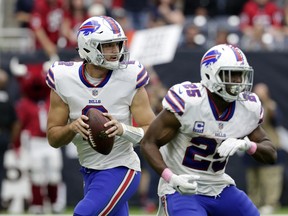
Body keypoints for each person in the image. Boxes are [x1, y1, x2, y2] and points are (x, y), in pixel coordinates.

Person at [141, 44, 277, 216]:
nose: (237, 80)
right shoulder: (189, 102)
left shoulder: (247, 107)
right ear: (210, 74)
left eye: (240, 74)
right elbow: (148, 142)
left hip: (219, 186)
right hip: (183, 187)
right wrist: (171, 178)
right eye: (230, 74)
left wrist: (248, 146)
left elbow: (271, 154)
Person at [45, 16, 155, 215]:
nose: (116, 51)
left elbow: (153, 133)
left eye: (118, 44)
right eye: (109, 45)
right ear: (88, 47)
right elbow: (53, 137)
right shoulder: (63, 78)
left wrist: (123, 130)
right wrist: (71, 128)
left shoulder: (130, 76)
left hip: (121, 167)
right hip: (89, 170)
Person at [244, 82, 284, 214]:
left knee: (270, 177)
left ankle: (271, 203)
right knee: (253, 177)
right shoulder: (248, 106)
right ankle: (254, 202)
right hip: (251, 144)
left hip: (268, 144)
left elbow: (277, 121)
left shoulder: (271, 105)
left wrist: (268, 105)